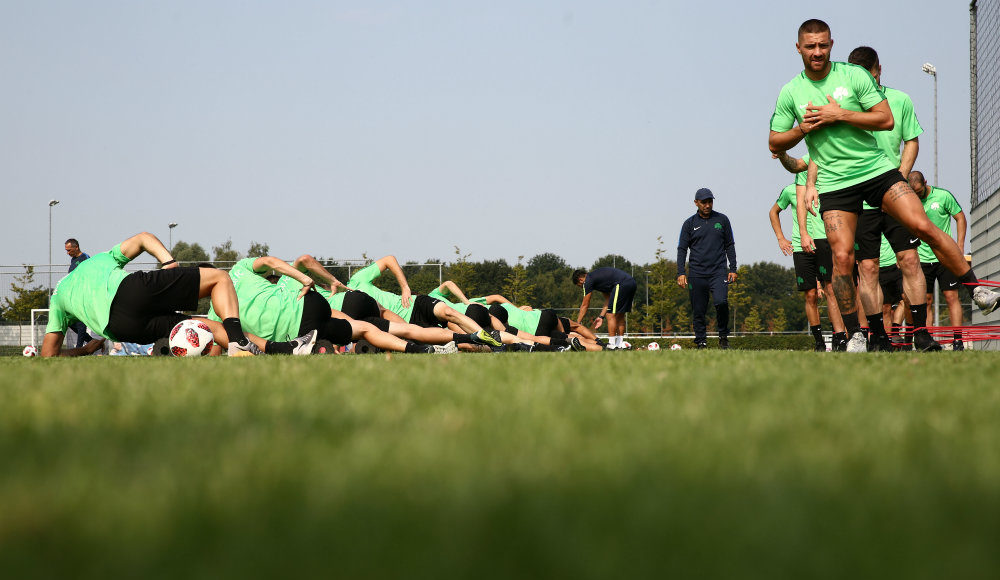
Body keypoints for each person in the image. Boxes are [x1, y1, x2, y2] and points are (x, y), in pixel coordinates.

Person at [768, 19, 999, 353]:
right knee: (843, 259)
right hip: (836, 184)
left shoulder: (854, 75)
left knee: (923, 225)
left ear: (831, 45)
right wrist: (803, 128)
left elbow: (885, 119)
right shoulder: (791, 92)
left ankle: (977, 289)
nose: (817, 52)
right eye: (810, 46)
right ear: (799, 48)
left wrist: (838, 114)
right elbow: (775, 142)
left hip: (877, 172)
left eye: (822, 45)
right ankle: (856, 334)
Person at [41, 232, 282, 357]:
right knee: (220, 278)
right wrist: (168, 261)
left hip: (122, 328)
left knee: (203, 325)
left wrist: (85, 350)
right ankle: (240, 344)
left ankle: (278, 349)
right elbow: (143, 238)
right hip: (130, 292)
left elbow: (48, 355)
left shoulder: (58, 297)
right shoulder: (99, 260)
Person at [845, 45, 937, 351]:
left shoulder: (899, 100)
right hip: (860, 200)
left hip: (894, 195)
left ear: (879, 70)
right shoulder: (844, 108)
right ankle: (878, 336)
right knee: (868, 269)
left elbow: (912, 141)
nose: (865, 82)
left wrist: (899, 178)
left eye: (869, 75)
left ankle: (921, 332)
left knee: (909, 260)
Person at [207, 256, 456, 355]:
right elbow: (292, 260)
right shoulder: (247, 273)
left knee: (364, 330)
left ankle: (417, 348)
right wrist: (327, 280)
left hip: (301, 330)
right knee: (382, 322)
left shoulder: (216, 316)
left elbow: (223, 346)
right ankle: (438, 342)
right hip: (323, 303)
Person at [768, 167, 845, 351]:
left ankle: (838, 337)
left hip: (824, 243)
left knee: (831, 291)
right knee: (810, 295)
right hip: (801, 246)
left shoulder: (825, 186)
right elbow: (773, 212)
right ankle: (818, 342)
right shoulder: (790, 190)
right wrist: (780, 238)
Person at [909, 171, 968, 350]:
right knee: (925, 301)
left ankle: (958, 341)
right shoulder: (910, 202)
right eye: (914, 193)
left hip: (945, 257)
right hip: (922, 259)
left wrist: (959, 245)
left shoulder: (943, 196)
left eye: (919, 192)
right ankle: (928, 342)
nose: (917, 195)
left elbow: (960, 217)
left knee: (951, 297)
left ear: (925, 183)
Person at [676, 188, 737, 349]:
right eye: (704, 202)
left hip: (718, 272)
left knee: (721, 302)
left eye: (710, 201)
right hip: (697, 273)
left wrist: (733, 268)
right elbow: (682, 249)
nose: (707, 205)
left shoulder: (722, 220)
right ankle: (701, 341)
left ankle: (723, 337)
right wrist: (681, 272)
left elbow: (730, 245)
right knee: (698, 310)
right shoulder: (689, 224)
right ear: (696, 203)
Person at [572, 266, 637, 350]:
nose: (582, 288)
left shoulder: (588, 280)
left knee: (610, 315)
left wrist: (577, 324)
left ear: (580, 280)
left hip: (621, 284)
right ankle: (619, 344)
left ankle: (611, 345)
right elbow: (608, 300)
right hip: (631, 282)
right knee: (620, 315)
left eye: (580, 286)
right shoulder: (600, 281)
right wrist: (601, 317)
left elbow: (585, 305)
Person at [63, 238, 94, 348]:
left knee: (81, 322)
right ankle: (91, 341)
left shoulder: (85, 258)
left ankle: (79, 349)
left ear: (76, 248)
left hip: (82, 295)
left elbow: (91, 274)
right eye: (66, 250)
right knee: (68, 320)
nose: (67, 253)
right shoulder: (73, 259)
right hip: (72, 295)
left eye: (69, 250)